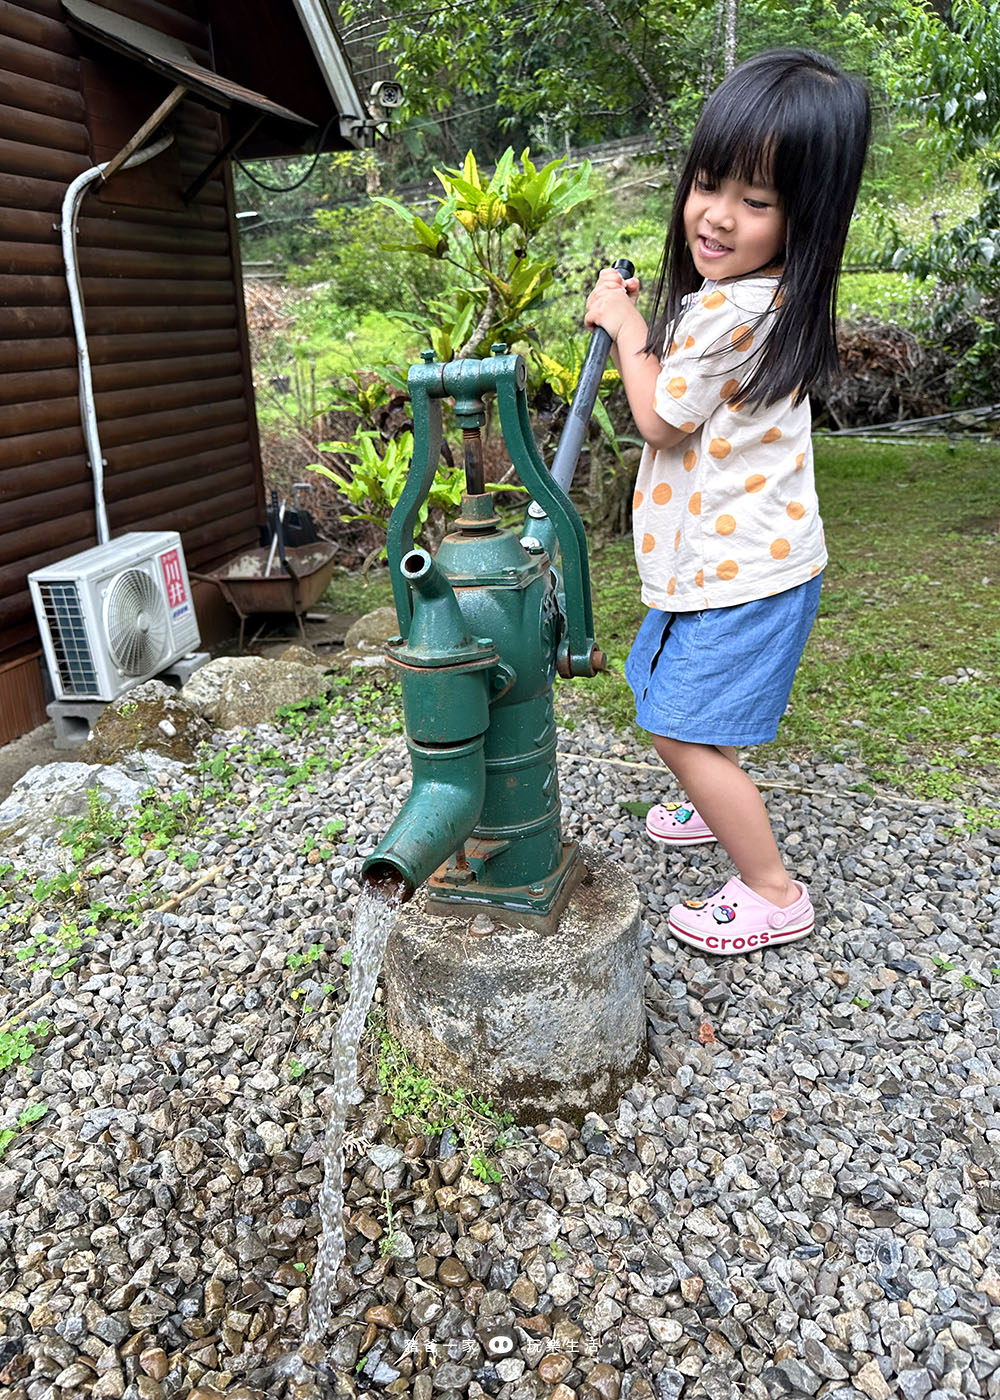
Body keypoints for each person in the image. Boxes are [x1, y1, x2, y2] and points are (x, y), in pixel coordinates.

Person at [584, 48, 870, 956]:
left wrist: (625, 326)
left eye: (757, 201)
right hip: (751, 558)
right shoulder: (759, 297)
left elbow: (661, 417)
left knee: (675, 724)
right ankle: (713, 799)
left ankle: (772, 890)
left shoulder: (730, 312)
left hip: (739, 569)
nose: (717, 216)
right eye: (709, 184)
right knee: (677, 697)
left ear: (805, 217)